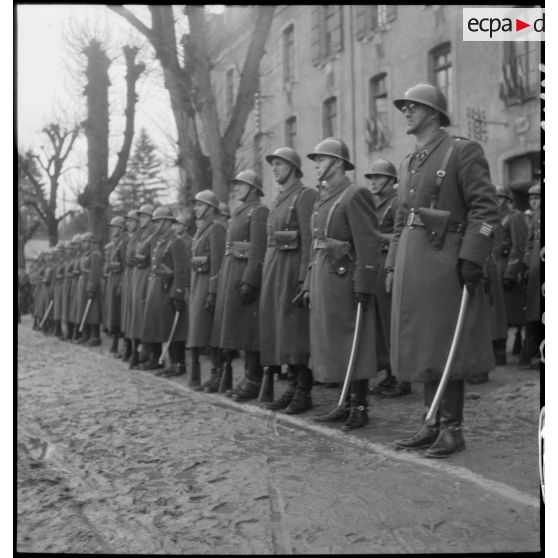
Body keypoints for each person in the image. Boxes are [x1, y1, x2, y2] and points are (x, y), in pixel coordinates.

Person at [386, 83, 500, 457]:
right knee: (424, 343)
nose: (405, 111)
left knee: (446, 342)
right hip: (413, 263)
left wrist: (472, 256)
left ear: (434, 112)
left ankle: (452, 428)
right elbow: (402, 219)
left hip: (445, 260)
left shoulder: (461, 151)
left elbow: (485, 209)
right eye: (404, 106)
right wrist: (392, 264)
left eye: (413, 106)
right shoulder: (408, 162)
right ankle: (430, 421)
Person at [303, 137, 382, 431]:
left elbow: (369, 243)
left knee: (354, 340)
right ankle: (344, 402)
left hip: (346, 278)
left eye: (321, 160)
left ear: (337, 162)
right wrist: (310, 282)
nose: (317, 165)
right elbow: (316, 244)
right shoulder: (323, 197)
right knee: (334, 342)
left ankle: (359, 406)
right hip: (325, 277)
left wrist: (364, 282)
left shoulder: (354, 194)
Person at [258, 147, 317, 414]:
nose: (275, 169)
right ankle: (292, 386)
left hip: (293, 270)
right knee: (282, 330)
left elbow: (308, 240)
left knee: (296, 333)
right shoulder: (280, 198)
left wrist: (304, 278)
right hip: (276, 269)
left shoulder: (305, 196)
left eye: (280, 164)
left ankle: (304, 392)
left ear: (294, 167)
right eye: (273, 165)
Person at [212, 169, 270, 402]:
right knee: (238, 329)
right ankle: (247, 376)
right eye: (237, 185)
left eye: (242, 185)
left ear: (254, 188)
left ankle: (254, 379)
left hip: (245, 277)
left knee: (249, 331)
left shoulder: (258, 211)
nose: (238, 188)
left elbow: (257, 249)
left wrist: (250, 280)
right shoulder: (240, 211)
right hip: (232, 274)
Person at [364, 159, 411, 398]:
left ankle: (403, 379)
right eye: (371, 178)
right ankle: (390, 374)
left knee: (393, 322)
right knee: (380, 324)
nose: (373, 182)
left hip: (391, 263)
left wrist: (374, 237)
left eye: (378, 177)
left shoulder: (396, 203)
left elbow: (400, 235)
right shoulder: (374, 203)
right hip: (376, 264)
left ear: (392, 181)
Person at [141, 207, 190, 375]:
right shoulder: (158, 241)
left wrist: (178, 292)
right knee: (157, 324)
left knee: (173, 326)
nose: (156, 225)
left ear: (169, 222)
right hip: (157, 286)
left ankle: (178, 363)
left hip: (169, 288)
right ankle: (159, 359)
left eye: (159, 221)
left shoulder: (176, 242)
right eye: (155, 222)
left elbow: (181, 268)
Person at [187, 190, 227, 387]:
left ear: (211, 208)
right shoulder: (199, 230)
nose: (196, 208)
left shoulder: (216, 228)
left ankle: (218, 373)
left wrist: (213, 290)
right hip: (197, 284)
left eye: (200, 205)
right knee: (200, 330)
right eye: (196, 205)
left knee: (211, 330)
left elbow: (218, 262)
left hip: (208, 286)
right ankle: (211, 373)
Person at [496, 184, 528, 364]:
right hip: (494, 267)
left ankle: (514, 346)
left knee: (512, 313)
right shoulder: (492, 217)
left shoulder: (514, 217)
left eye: (500, 198)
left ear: (507, 200)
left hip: (507, 267)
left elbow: (519, 245)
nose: (497, 201)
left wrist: (511, 272)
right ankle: (499, 351)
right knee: (498, 313)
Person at [129, 204, 156, 369]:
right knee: (139, 313)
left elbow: (148, 258)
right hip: (138, 275)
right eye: (140, 217)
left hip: (147, 275)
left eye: (145, 216)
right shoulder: (141, 235)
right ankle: (143, 349)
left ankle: (150, 351)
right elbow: (131, 257)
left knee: (146, 313)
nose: (141, 220)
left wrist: (139, 258)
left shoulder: (153, 235)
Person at [521, 182, 541, 369]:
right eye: (532, 198)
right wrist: (526, 264)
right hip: (535, 267)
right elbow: (528, 242)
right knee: (534, 312)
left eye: (537, 198)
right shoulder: (534, 217)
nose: (534, 202)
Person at [76, 232, 104, 346]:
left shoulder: (96, 254)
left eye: (85, 241)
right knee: (84, 310)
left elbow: (95, 272)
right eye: (83, 242)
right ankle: (86, 334)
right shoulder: (86, 254)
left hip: (91, 284)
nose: (83, 244)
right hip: (84, 284)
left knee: (93, 311)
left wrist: (92, 287)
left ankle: (95, 336)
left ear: (92, 242)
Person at [119, 210, 140, 360]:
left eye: (131, 220)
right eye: (127, 221)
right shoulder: (127, 241)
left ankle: (136, 349)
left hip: (136, 276)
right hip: (128, 276)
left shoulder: (140, 239)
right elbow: (124, 261)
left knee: (135, 312)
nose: (128, 224)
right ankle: (127, 345)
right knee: (126, 312)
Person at [105, 216, 127, 355]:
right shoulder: (114, 244)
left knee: (121, 313)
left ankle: (124, 345)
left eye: (115, 227)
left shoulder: (124, 242)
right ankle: (114, 343)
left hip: (120, 278)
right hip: (113, 279)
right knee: (113, 312)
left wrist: (122, 284)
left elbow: (125, 265)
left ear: (121, 228)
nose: (113, 230)